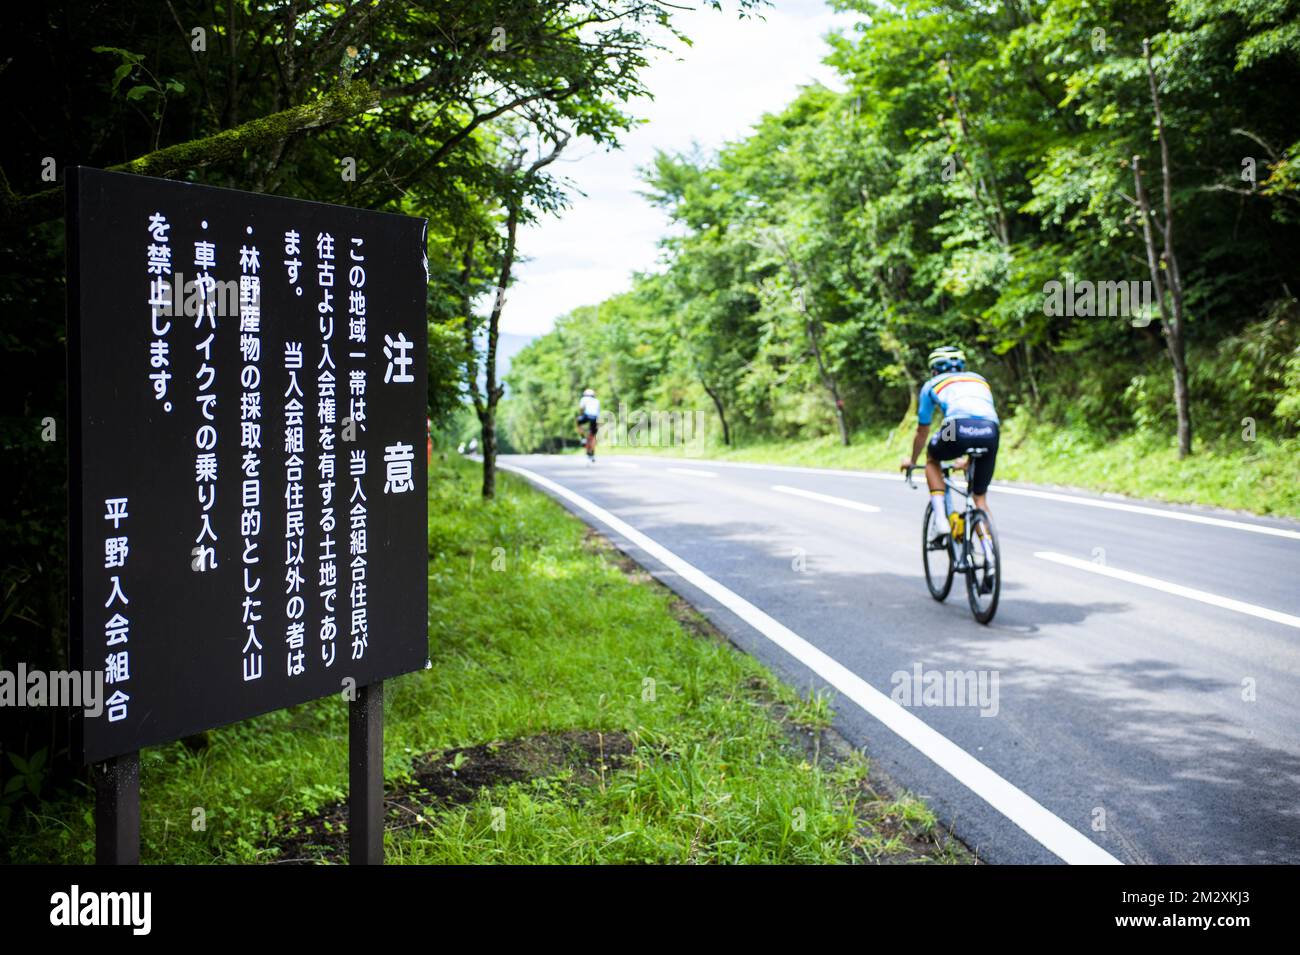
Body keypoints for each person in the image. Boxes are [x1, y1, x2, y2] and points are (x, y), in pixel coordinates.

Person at [899, 347, 999, 586]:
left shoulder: (932, 384)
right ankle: (990, 554)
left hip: (956, 427)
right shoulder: (980, 380)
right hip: (990, 430)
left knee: (932, 459)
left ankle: (942, 522)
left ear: (934, 369)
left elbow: (922, 431)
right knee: (980, 500)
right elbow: (979, 416)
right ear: (962, 367)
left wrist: (913, 461)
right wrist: (967, 460)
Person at [575, 387, 600, 462]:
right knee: (593, 436)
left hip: (586, 416)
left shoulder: (584, 399)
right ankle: (592, 453)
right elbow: (598, 413)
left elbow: (581, 409)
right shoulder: (597, 401)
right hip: (595, 418)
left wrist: (581, 416)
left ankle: (583, 438)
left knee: (578, 421)